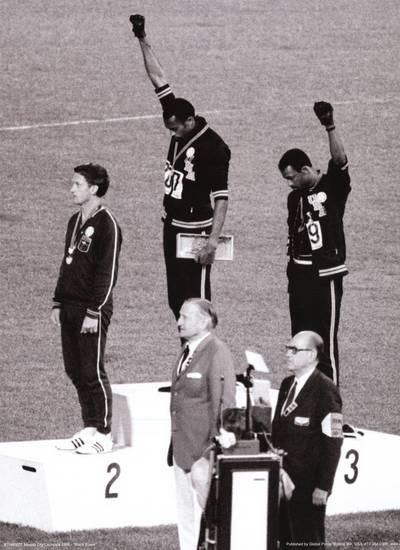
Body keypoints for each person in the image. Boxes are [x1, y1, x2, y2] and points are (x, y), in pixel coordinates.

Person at [129, 14, 231, 320]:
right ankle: (188, 355)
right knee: (176, 300)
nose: (172, 135)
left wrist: (212, 240)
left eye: (176, 130)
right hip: (171, 226)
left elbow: (221, 197)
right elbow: (158, 77)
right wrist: (141, 37)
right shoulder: (176, 113)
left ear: (190, 121)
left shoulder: (215, 148)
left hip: (195, 231)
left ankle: (206, 361)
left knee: (197, 302)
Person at [51, 163, 122, 454]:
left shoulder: (108, 225)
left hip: (92, 309)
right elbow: (66, 263)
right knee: (74, 369)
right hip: (69, 305)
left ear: (93, 189)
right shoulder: (74, 220)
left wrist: (95, 311)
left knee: (92, 369)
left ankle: (105, 433)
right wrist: (57, 300)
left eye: (77, 184)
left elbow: (108, 274)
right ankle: (90, 425)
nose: (71, 189)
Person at [278, 102, 351, 386]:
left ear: (305, 168)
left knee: (325, 340)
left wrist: (329, 126)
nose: (290, 184)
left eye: (292, 177)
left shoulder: (332, 187)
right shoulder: (293, 198)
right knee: (300, 339)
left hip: (324, 277)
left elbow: (341, 160)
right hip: (298, 277)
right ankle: (305, 397)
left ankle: (331, 405)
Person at [169, 298, 236, 550]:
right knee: (185, 516)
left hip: (203, 452)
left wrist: (213, 451)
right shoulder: (187, 351)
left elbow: (225, 403)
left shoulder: (217, 351)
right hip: (181, 448)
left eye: (185, 317)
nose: (179, 322)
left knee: (215, 518)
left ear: (204, 321)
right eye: (180, 316)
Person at [271, 331, 343, 548]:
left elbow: (333, 442)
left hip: (308, 485)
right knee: (283, 539)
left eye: (294, 350)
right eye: (287, 348)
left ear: (311, 355)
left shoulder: (325, 390)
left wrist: (323, 485)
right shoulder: (286, 385)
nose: (288, 354)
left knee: (306, 541)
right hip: (283, 480)